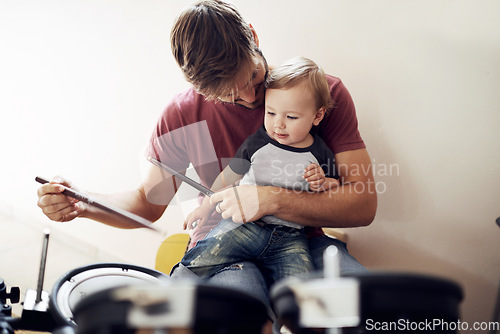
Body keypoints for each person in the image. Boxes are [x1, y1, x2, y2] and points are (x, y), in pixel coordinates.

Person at [36, 0, 377, 331]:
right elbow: (146, 204)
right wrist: (84, 203)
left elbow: (362, 205)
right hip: (223, 247)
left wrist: (270, 199)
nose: (248, 98)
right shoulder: (182, 114)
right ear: (198, 87)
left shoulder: (319, 95)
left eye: (254, 79)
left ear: (253, 37)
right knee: (239, 316)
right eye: (229, 94)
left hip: (301, 242)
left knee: (371, 311)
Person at [180, 57, 340, 285]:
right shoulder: (257, 143)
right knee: (202, 258)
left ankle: (290, 320)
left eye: (291, 117)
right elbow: (228, 176)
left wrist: (324, 183)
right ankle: (172, 291)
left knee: (301, 291)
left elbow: (336, 186)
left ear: (317, 116)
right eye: (271, 113)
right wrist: (207, 206)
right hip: (244, 226)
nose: (278, 124)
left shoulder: (320, 153)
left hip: (291, 239)